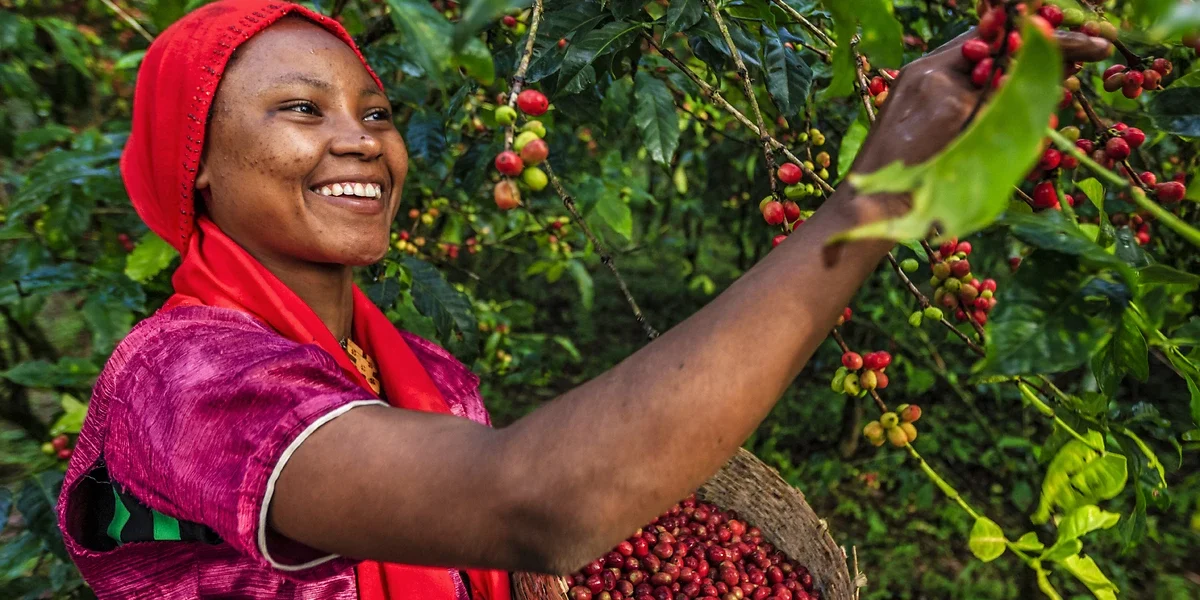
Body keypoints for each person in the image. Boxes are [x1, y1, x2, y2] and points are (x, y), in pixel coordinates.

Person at [54, 0, 1113, 598]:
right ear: (195, 162)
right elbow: (532, 503)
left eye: (376, 112)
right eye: (300, 108)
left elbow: (509, 537)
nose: (360, 141)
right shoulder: (179, 378)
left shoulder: (423, 375)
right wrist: (867, 201)